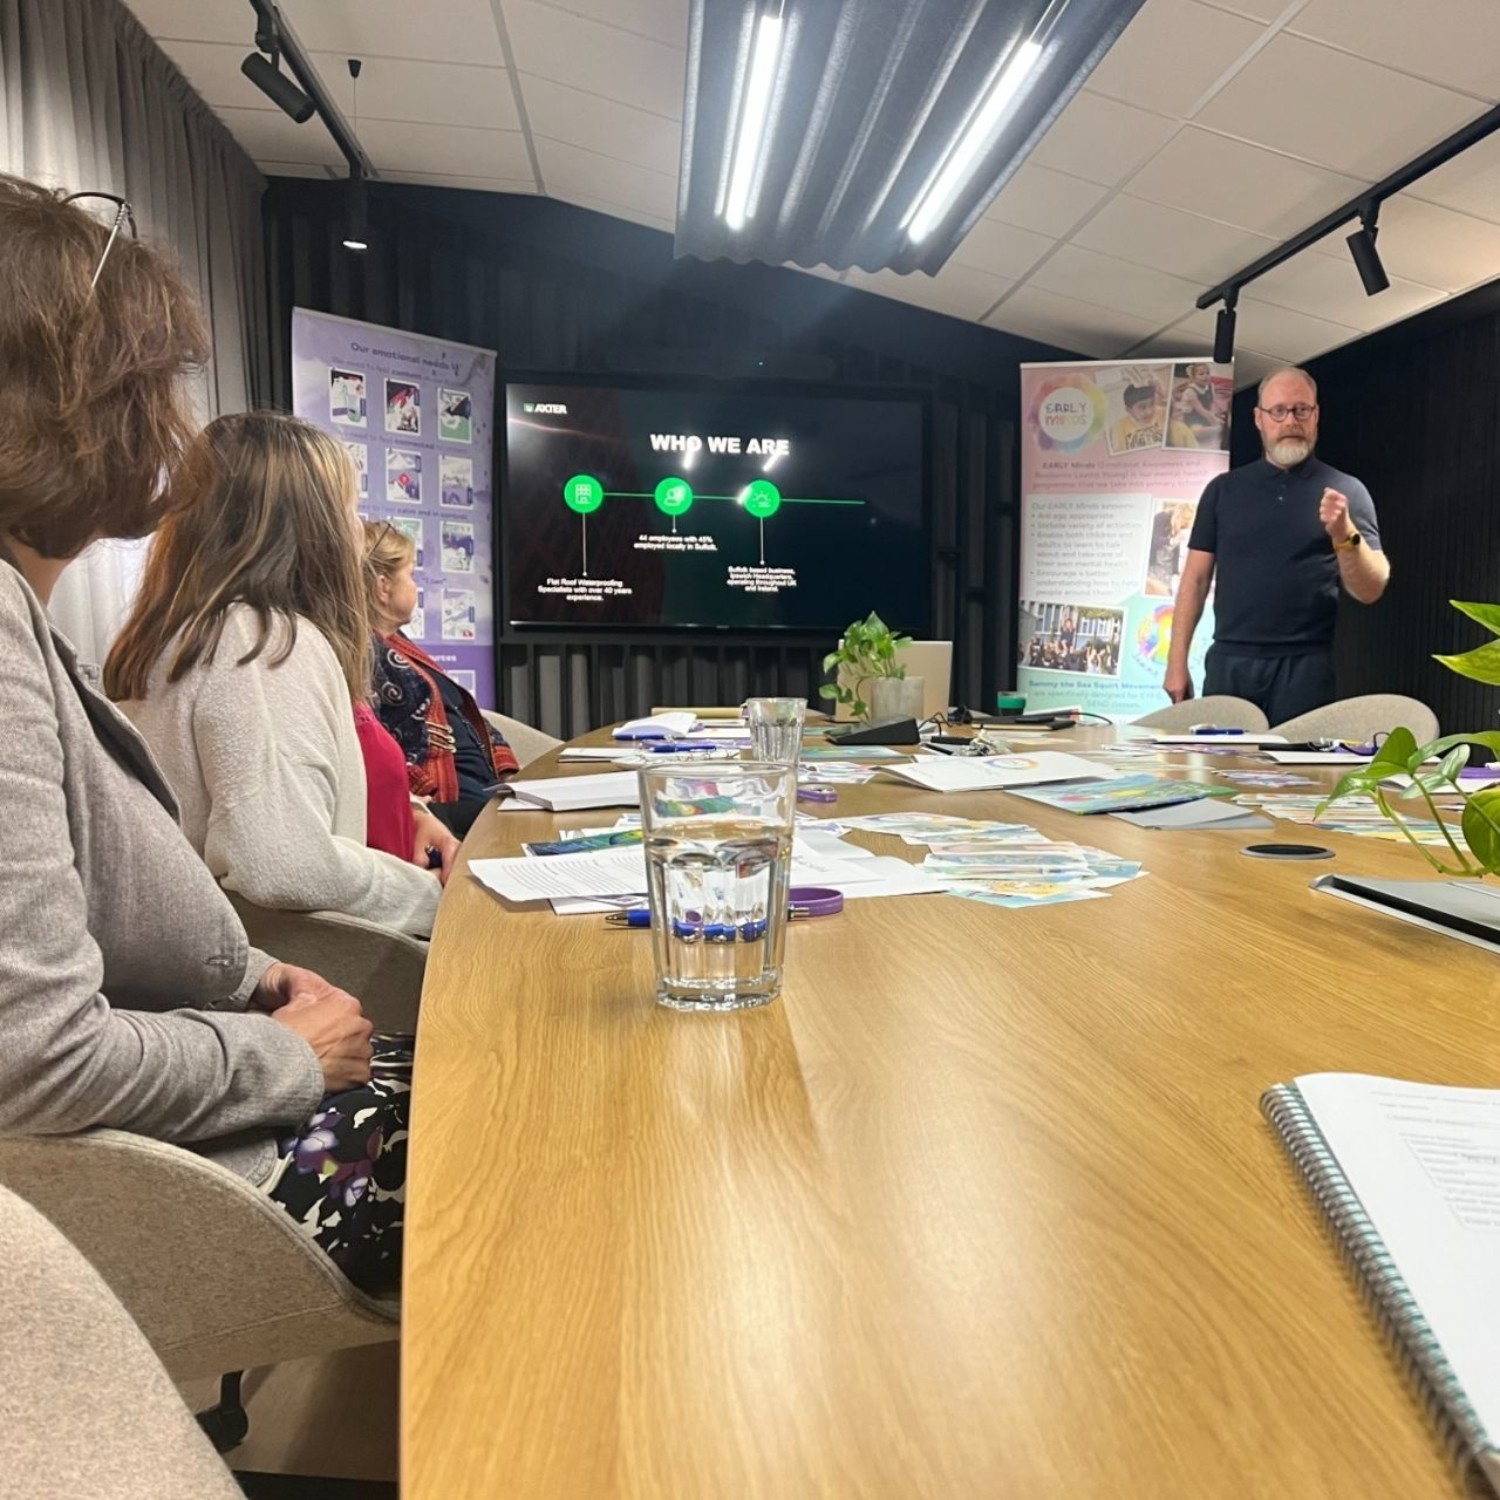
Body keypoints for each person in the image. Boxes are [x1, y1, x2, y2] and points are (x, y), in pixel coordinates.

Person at [0, 174, 407, 1295]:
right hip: (193, 1171)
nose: (179, 437)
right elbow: (34, 1057)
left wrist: (261, 976)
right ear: (69, 404)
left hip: (202, 1088)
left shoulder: (36, 621)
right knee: (540, 1137)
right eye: (155, 390)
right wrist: (279, 1051)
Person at [106, 413, 443, 937]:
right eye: (349, 510)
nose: (359, 529)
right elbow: (283, 863)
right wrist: (435, 898)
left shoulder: (196, 634)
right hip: (309, 979)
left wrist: (412, 810)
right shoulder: (263, 643)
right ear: (311, 528)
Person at [1165, 366, 1389, 724]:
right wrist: (1176, 664)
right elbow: (1194, 581)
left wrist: (1344, 533)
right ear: (1258, 419)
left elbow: (1371, 587)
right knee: (1223, 776)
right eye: (1278, 411)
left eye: (1301, 410)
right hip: (1229, 663)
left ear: (1315, 416)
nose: (1290, 421)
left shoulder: (1347, 491)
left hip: (1305, 668)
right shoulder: (1223, 491)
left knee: (1299, 777)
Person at [365, 520, 518, 837]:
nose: (416, 586)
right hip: (446, 815)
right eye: (411, 575)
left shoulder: (398, 645)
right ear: (383, 586)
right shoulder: (367, 655)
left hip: (480, 799)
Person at [1110, 382, 1164, 452]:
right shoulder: (1121, 426)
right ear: (1129, 410)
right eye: (1142, 407)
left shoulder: (1162, 413)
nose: (1149, 411)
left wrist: (1163, 394)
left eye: (1152, 404)